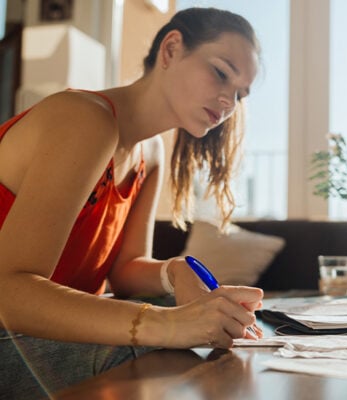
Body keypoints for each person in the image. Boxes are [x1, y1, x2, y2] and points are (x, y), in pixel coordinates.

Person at [0, 7, 264, 397]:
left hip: (34, 327)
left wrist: (174, 272)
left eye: (240, 94)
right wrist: (169, 324)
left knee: (191, 330)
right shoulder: (84, 120)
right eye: (221, 73)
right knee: (160, 350)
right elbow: (8, 292)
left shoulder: (150, 154)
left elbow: (123, 270)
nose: (229, 102)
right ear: (171, 49)